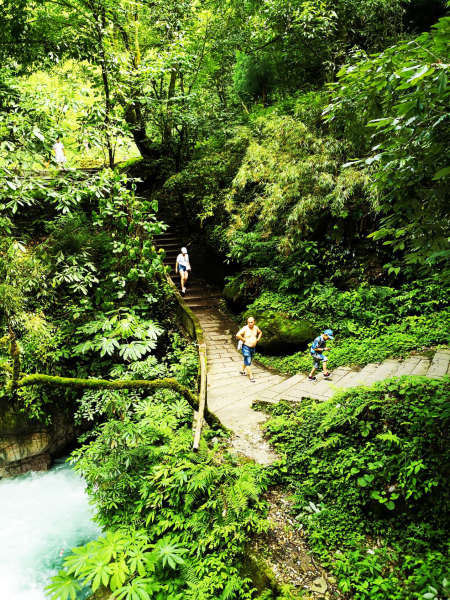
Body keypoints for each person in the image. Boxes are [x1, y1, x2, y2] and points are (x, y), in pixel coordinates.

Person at [236, 316, 262, 383]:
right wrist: (244, 340)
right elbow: (238, 335)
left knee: (248, 359)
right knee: (248, 360)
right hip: (246, 347)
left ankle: (242, 370)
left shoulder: (256, 328)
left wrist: (258, 339)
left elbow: (260, 332)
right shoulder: (245, 328)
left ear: (254, 322)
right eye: (249, 322)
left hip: (253, 347)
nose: (250, 323)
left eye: (251, 322)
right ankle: (251, 376)